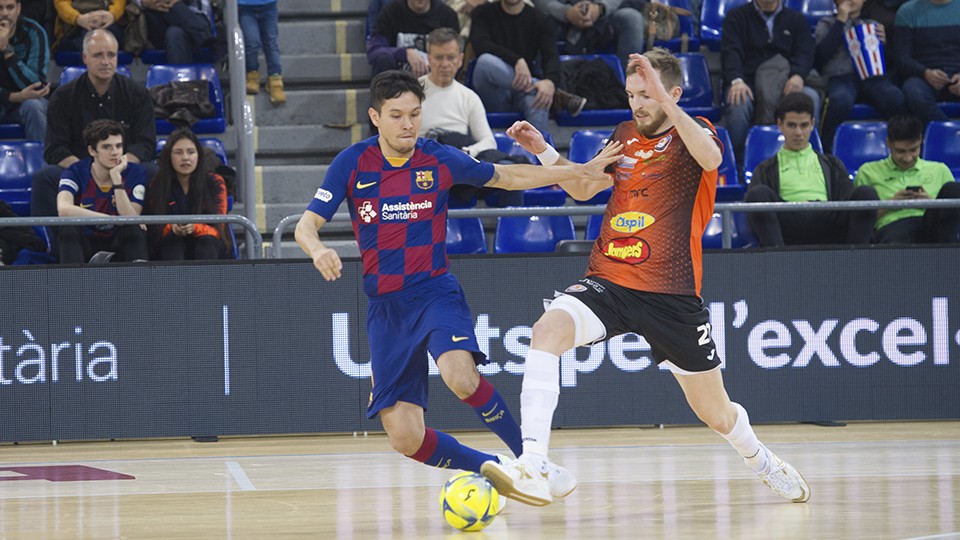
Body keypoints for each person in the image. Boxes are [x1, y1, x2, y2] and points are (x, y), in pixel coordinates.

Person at [480, 48, 811, 507]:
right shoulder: (623, 135)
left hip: (671, 294)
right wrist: (543, 150)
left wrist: (667, 103)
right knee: (546, 331)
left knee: (714, 413)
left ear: (672, 94)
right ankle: (533, 462)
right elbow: (581, 187)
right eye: (633, 94)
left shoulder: (698, 134)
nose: (638, 104)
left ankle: (761, 461)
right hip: (610, 280)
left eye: (648, 95)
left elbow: (713, 159)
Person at [295, 70, 619, 483]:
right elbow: (305, 227)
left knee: (460, 375)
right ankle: (497, 469)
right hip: (386, 307)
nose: (408, 124)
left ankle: (530, 457)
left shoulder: (439, 158)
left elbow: (510, 176)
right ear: (375, 117)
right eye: (396, 115)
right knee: (404, 437)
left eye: (414, 114)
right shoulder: (353, 162)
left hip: (433, 291)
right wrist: (319, 248)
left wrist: (575, 171)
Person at [31, 29, 156, 256]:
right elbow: (54, 149)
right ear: (85, 58)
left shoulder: (137, 94)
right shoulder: (63, 96)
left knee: (153, 171)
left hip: (124, 168)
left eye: (111, 55)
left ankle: (149, 247)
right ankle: (53, 250)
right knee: (44, 177)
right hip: (78, 169)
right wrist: (89, 172)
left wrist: (117, 166)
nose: (106, 61)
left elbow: (145, 143)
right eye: (98, 55)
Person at [744, 92, 879, 247]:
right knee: (757, 194)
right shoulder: (765, 169)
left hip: (828, 221)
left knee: (866, 194)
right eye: (791, 125)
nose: (798, 133)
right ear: (780, 124)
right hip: (788, 222)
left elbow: (847, 203)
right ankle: (778, 261)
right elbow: (754, 215)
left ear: (812, 124)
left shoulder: (833, 164)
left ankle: (857, 261)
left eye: (804, 125)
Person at [419, 27, 525, 206]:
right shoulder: (412, 91)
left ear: (460, 59)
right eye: (438, 57)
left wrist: (467, 153)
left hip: (458, 163)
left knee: (509, 171)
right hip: (424, 164)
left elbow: (488, 142)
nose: (445, 64)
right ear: (429, 59)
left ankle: (512, 231)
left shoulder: (469, 97)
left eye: (451, 57)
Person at [719, 0, 821, 162]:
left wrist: (798, 75)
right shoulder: (736, 17)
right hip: (747, 83)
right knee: (739, 103)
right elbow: (730, 53)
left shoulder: (796, 19)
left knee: (811, 98)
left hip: (787, 82)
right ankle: (736, 162)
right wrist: (736, 80)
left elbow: (805, 52)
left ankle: (809, 157)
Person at [469, 0, 586, 135]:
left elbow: (551, 57)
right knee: (485, 61)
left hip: (523, 90)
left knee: (540, 97)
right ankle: (549, 91)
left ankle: (541, 154)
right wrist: (516, 60)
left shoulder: (540, 19)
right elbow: (480, 45)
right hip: (494, 91)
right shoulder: (482, 13)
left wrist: (549, 82)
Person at [814, 0, 905, 153]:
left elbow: (888, 63)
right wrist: (840, 22)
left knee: (895, 97)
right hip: (839, 77)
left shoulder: (873, 24)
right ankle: (826, 150)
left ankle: (901, 147)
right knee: (840, 100)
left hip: (871, 78)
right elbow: (821, 57)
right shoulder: (826, 23)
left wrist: (884, 44)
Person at [854, 114, 960, 243]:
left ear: (921, 140)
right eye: (901, 151)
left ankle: (950, 257)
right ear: (888, 144)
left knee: (953, 189)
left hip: (934, 227)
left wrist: (932, 204)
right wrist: (891, 204)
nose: (907, 158)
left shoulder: (940, 169)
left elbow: (953, 217)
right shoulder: (868, 171)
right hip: (893, 227)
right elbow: (858, 224)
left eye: (913, 150)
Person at [56, 119, 149, 264]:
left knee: (133, 230)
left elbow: (132, 218)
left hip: (117, 242)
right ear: (92, 151)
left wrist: (117, 180)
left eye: (118, 146)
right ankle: (72, 283)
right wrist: (110, 218)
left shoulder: (135, 172)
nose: (115, 153)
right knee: (68, 228)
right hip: (86, 241)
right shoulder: (75, 171)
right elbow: (64, 209)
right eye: (107, 147)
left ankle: (140, 281)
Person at [145, 128, 231, 260]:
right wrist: (172, 228)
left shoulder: (215, 181)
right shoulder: (157, 184)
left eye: (191, 152)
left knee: (207, 242)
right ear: (169, 156)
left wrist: (196, 227)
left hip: (208, 244)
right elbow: (154, 228)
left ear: (198, 156)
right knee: (172, 243)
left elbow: (219, 227)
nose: (185, 158)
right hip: (169, 244)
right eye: (178, 153)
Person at [893, 0, 960, 123]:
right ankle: (948, 134)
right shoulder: (907, 11)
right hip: (923, 74)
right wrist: (924, 72)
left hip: (957, 71)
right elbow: (901, 58)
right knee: (913, 93)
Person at [533, 0, 645, 68]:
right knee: (539, 21)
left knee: (632, 18)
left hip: (606, 14)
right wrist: (566, 12)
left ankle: (627, 85)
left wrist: (600, 8)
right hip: (560, 16)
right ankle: (543, 85)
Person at [366, 0, 459, 78]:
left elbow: (455, 55)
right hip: (397, 78)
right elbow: (374, 51)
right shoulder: (391, 12)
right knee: (383, 60)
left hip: (435, 75)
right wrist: (405, 53)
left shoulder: (447, 15)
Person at [0, 0, 50, 142]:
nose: (4, 14)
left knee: (33, 106)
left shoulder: (34, 32)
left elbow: (36, 84)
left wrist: (7, 51)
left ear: (18, 8)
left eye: (10, 7)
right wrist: (18, 96)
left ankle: (41, 162)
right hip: (8, 100)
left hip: (26, 105)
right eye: (0, 8)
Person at [135, 0, 213, 65]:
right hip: (157, 20)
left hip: (192, 15)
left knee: (175, 33)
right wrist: (142, 2)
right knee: (173, 14)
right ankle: (208, 39)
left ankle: (178, 82)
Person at [239, 0, 285, 105]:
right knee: (252, 43)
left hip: (268, 6)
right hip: (245, 7)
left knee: (271, 44)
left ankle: (275, 80)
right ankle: (252, 75)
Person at [52, 0, 124, 52]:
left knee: (109, 38)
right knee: (90, 42)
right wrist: (78, 18)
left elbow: (120, 2)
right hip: (76, 26)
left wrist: (113, 15)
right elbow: (61, 4)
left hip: (107, 21)